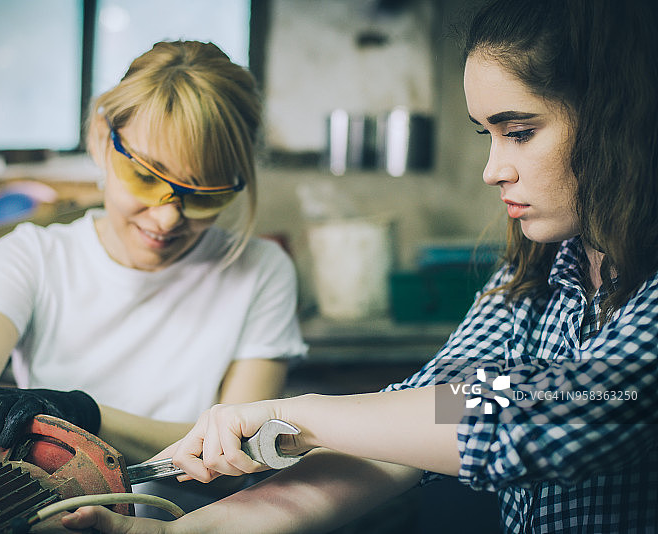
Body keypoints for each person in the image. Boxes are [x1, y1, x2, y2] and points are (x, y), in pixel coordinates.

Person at [58, 1, 658, 533]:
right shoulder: (535, 275)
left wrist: (298, 415)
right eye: (488, 136)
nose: (492, 169)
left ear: (617, 120)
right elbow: (437, 412)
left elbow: (580, 404)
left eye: (520, 132)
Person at [0, 40, 307, 533]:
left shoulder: (262, 271)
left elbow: (238, 453)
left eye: (204, 196)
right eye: (145, 177)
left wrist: (87, 417)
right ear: (100, 139)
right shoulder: (32, 257)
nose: (167, 218)